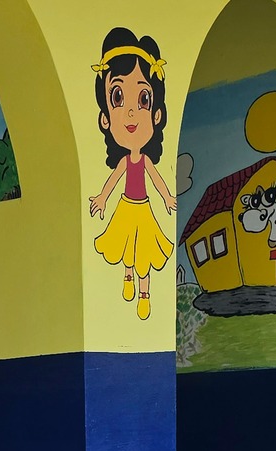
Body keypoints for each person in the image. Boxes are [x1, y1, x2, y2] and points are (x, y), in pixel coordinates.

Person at [88, 29, 178, 322]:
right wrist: (102, 198)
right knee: (126, 245)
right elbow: (113, 180)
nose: (131, 113)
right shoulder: (125, 161)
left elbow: (157, 180)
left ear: (156, 115)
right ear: (105, 118)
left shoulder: (145, 160)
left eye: (143, 99)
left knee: (145, 254)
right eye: (118, 97)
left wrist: (167, 198)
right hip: (126, 206)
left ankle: (144, 295)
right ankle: (127, 277)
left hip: (143, 209)